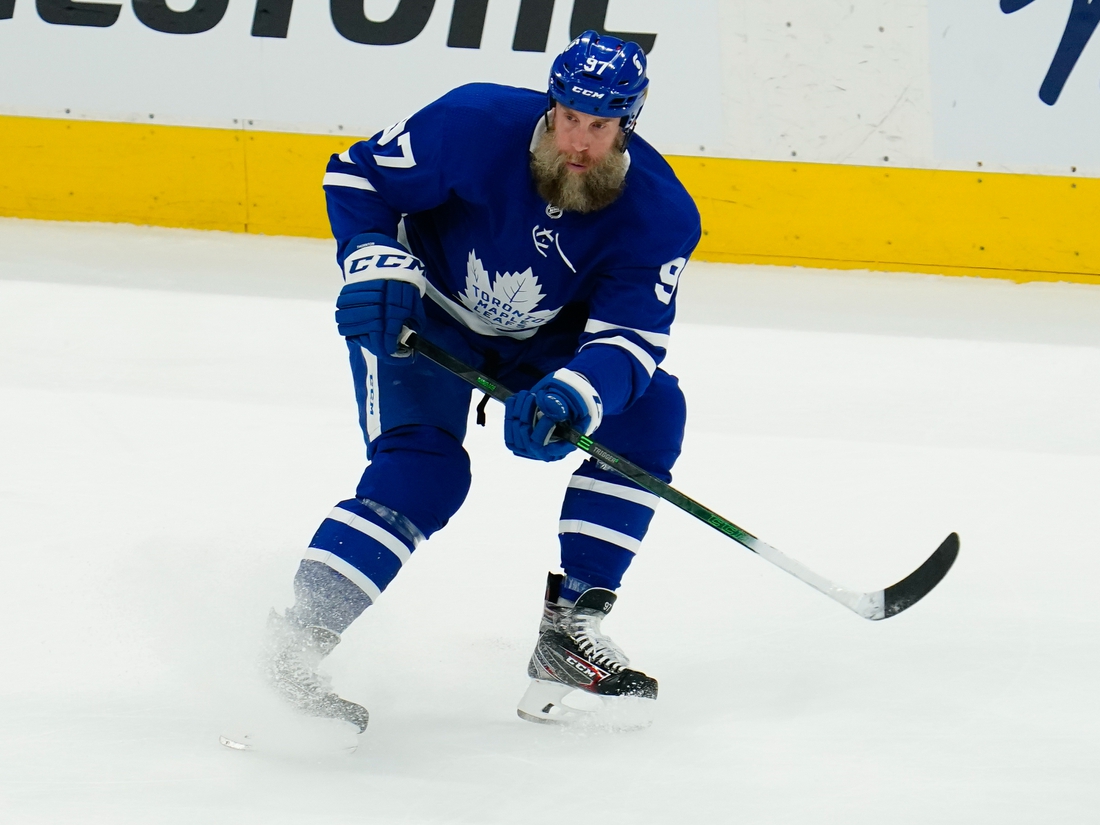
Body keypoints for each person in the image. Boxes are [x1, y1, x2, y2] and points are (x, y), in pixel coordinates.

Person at [263, 30, 701, 732]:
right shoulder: (472, 123)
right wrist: (373, 256)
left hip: (545, 343)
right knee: (424, 473)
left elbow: (628, 341)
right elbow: (355, 175)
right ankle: (292, 644)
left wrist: (573, 396)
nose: (578, 143)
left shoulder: (659, 213)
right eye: (568, 119)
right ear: (551, 106)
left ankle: (569, 629)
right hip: (422, 315)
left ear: (628, 123)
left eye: (598, 126)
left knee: (652, 412)